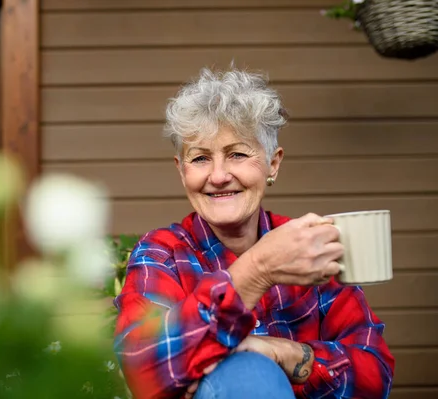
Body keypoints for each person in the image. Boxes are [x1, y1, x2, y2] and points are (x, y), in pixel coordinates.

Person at [113, 67, 395, 399]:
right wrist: (257, 269)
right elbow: (142, 369)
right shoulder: (163, 253)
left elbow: (375, 374)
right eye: (201, 158)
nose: (218, 176)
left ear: (272, 164)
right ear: (181, 170)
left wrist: (283, 353)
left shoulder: (311, 244)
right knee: (247, 371)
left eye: (237, 154)